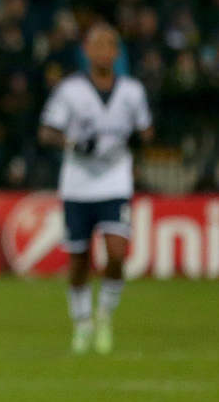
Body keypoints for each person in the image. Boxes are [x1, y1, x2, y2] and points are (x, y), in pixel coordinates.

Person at [39, 22, 153, 355]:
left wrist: (134, 140)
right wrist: (73, 142)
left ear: (117, 53)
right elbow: (46, 131)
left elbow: (146, 131)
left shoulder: (133, 91)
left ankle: (104, 315)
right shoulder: (70, 90)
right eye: (97, 45)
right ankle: (82, 323)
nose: (104, 51)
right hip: (77, 183)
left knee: (117, 253)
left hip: (116, 179)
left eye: (110, 46)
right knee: (78, 258)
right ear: (87, 51)